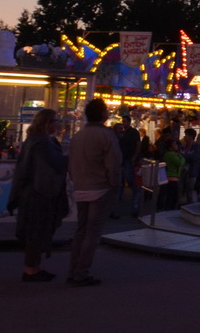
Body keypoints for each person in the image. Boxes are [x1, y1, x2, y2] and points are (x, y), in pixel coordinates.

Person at [66, 97, 123, 287]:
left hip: (81, 187)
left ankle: (73, 269)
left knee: (81, 230)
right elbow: (113, 164)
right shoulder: (106, 136)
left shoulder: (78, 136)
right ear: (102, 114)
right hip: (100, 189)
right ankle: (81, 273)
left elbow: (71, 163)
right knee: (93, 233)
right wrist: (114, 184)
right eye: (106, 110)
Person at [10, 107, 68, 282]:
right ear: (47, 123)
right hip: (39, 193)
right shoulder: (43, 143)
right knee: (37, 231)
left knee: (36, 231)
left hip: (32, 191)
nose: (58, 124)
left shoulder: (33, 140)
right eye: (55, 121)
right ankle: (31, 269)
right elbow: (54, 165)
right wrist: (69, 157)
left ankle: (35, 266)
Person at [113, 116, 142, 217]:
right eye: (123, 122)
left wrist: (134, 157)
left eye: (125, 122)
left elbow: (138, 145)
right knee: (123, 181)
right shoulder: (123, 134)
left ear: (129, 122)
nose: (123, 124)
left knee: (128, 179)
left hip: (128, 159)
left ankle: (134, 198)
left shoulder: (132, 132)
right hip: (123, 160)